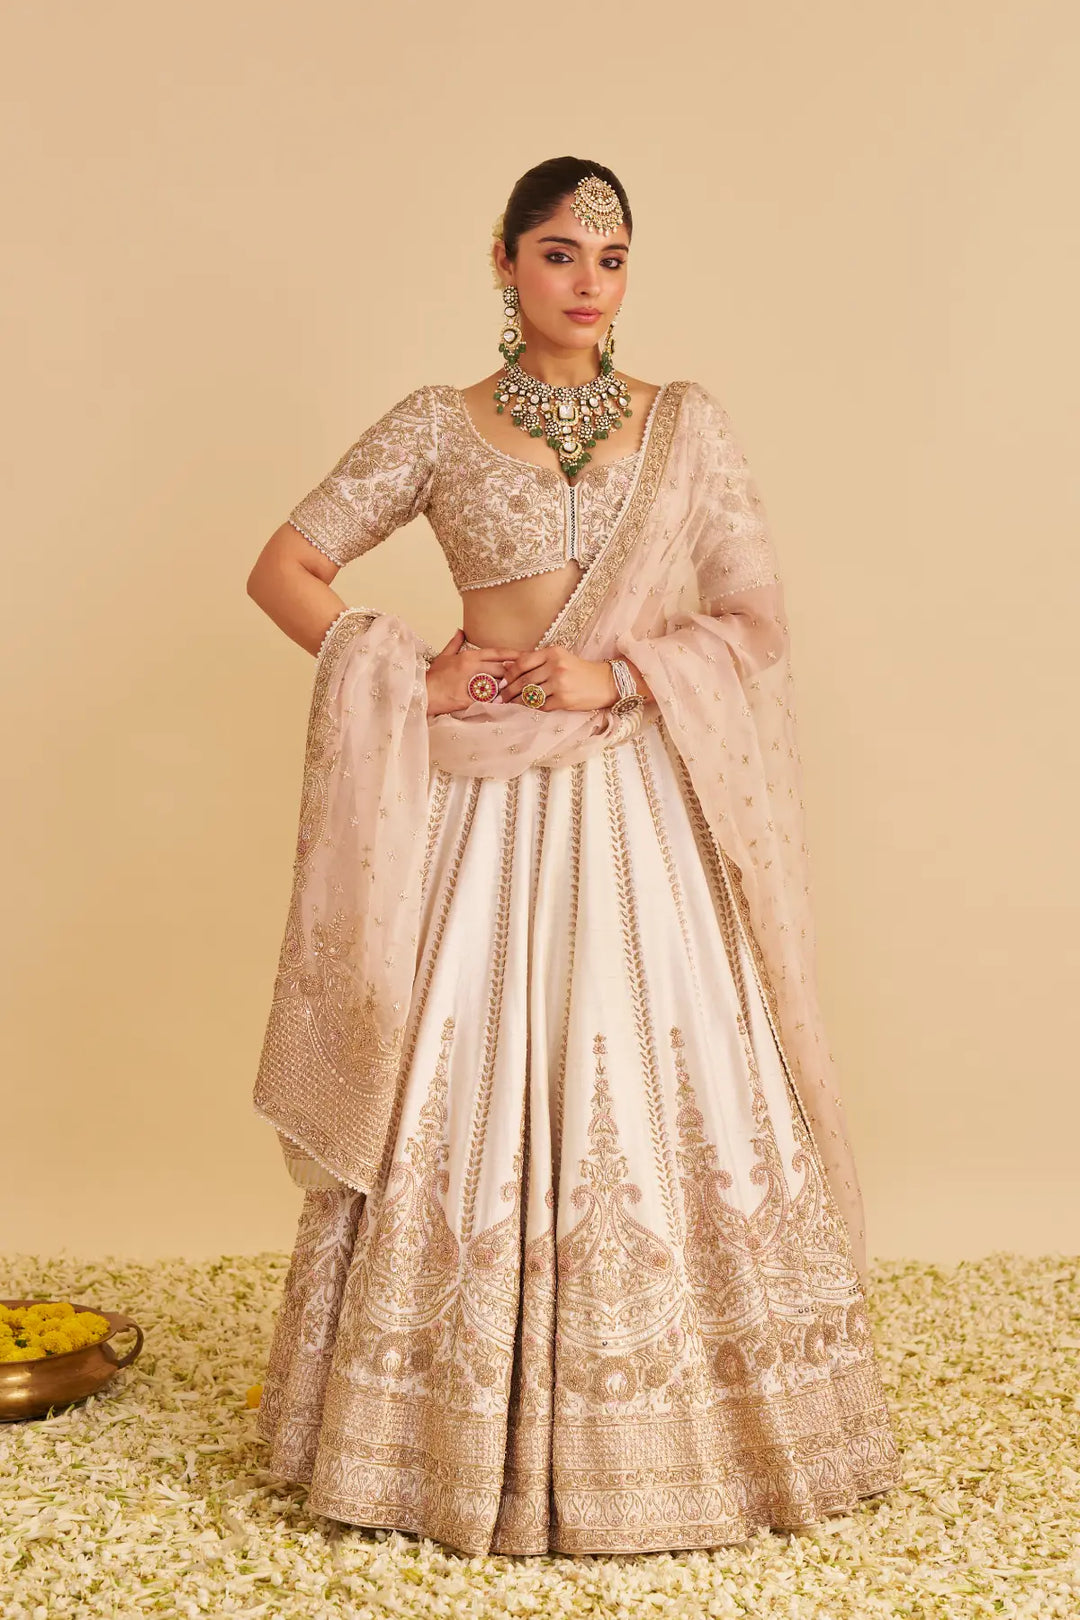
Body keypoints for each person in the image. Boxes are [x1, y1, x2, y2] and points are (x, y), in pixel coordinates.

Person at [244, 156, 904, 1558]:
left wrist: (618, 680)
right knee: (462, 1071)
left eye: (611, 257)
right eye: (558, 253)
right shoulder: (438, 424)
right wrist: (406, 669)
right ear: (502, 261)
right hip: (479, 810)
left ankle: (683, 1435)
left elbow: (754, 618)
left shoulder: (687, 429)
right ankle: (435, 1436)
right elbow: (288, 570)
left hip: (640, 800)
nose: (588, 280)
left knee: (652, 1061)